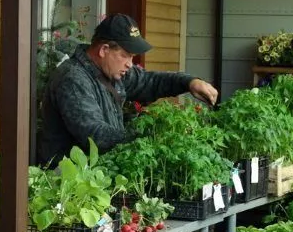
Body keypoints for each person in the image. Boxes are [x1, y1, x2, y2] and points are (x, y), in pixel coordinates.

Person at [39, 13, 218, 165]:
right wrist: (149, 138)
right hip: (66, 183)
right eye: (125, 56)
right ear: (104, 50)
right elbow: (95, 135)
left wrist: (189, 82)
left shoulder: (110, 71)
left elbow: (149, 81)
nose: (129, 64)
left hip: (96, 175)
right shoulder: (73, 79)